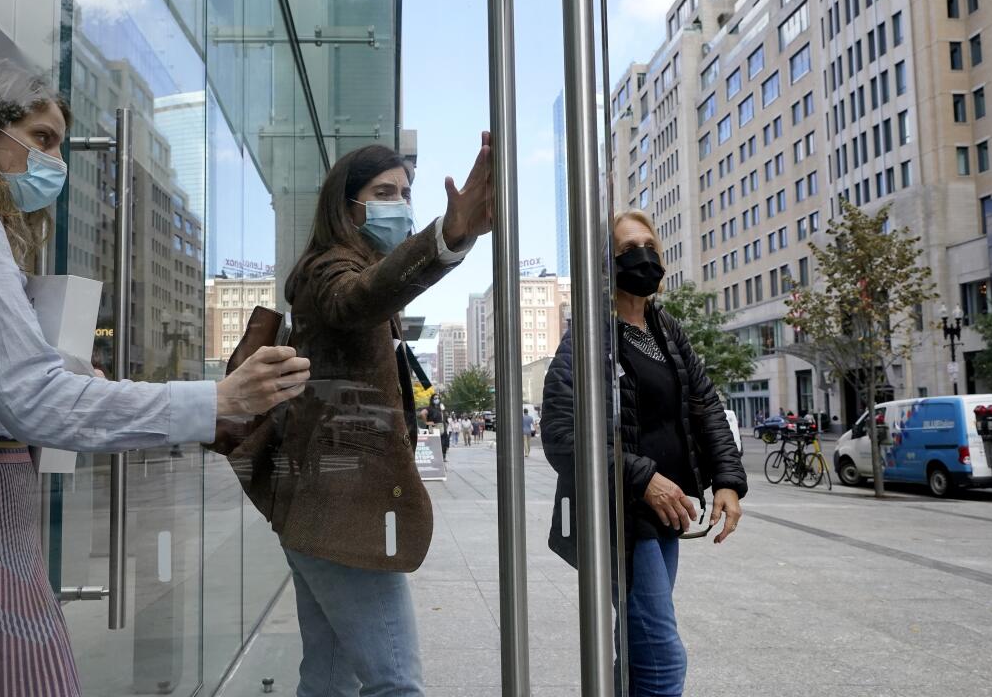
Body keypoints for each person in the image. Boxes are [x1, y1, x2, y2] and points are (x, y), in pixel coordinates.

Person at [0, 57, 310, 696]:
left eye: (59, 144)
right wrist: (218, 398)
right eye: (41, 138)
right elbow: (33, 398)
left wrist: (69, 373)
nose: (56, 161)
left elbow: (4, 382)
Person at [274, 137, 492, 695]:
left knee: (327, 677)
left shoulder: (341, 268)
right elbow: (358, 298)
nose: (401, 203)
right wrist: (448, 236)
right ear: (348, 206)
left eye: (406, 193)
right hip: (346, 513)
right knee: (395, 683)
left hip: (321, 511)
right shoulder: (330, 270)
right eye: (384, 192)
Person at [541, 209, 747, 696]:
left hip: (667, 513)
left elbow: (706, 405)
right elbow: (560, 432)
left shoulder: (665, 329)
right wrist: (642, 477)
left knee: (636, 643)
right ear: (606, 264)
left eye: (651, 248)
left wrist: (728, 481)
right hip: (624, 514)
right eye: (629, 251)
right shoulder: (591, 334)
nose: (644, 259)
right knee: (661, 655)